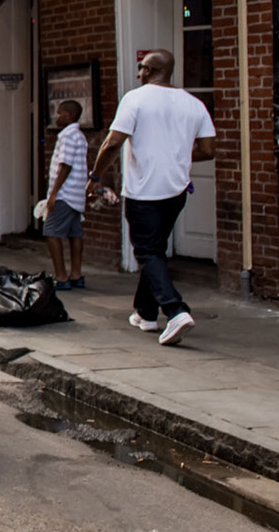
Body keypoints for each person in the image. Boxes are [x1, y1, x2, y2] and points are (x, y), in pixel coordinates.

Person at [92, 49, 216, 347]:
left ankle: (175, 311)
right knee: (155, 249)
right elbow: (208, 150)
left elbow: (112, 143)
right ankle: (146, 313)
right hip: (176, 190)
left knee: (147, 252)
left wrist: (95, 176)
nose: (138, 74)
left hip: (144, 191)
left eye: (140, 68)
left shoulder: (135, 99)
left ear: (147, 70)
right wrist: (175, 156)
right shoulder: (194, 104)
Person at [43, 99, 90, 290]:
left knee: (51, 232)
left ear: (69, 116)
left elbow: (65, 165)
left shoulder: (68, 136)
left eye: (59, 113)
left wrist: (53, 194)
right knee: (74, 233)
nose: (56, 116)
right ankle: (76, 274)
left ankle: (61, 277)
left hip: (65, 193)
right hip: (76, 194)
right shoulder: (79, 136)